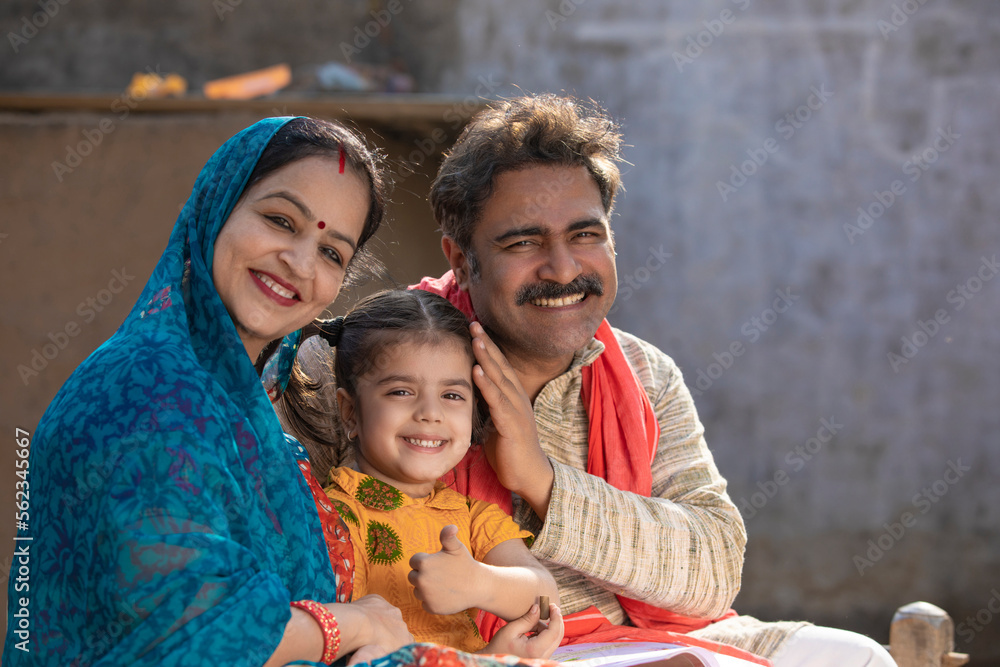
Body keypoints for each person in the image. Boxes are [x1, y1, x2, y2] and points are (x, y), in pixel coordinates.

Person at [2, 116, 559, 667]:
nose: (298, 263)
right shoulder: (147, 389)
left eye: (331, 253)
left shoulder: (238, 410)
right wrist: (355, 623)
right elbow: (191, 625)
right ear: (217, 207)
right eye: (279, 220)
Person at [415, 94, 900, 667]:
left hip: (652, 637)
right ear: (462, 258)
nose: (564, 268)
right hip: (496, 650)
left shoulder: (643, 374)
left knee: (854, 656)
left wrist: (544, 482)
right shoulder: (397, 361)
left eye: (585, 235)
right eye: (523, 242)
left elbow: (715, 570)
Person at [315, 289, 564, 658]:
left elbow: (546, 599)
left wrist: (481, 584)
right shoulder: (328, 517)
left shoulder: (470, 517)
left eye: (452, 395)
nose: (430, 413)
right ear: (350, 410)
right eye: (401, 391)